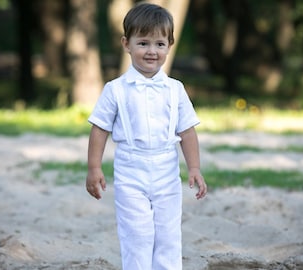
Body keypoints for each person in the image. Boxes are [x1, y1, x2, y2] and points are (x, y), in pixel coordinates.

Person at [85, 2, 207, 269]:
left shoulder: (176, 89)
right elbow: (100, 129)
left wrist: (194, 167)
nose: (152, 51)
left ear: (169, 45)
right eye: (143, 43)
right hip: (130, 171)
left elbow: (187, 131)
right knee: (137, 235)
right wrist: (94, 167)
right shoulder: (115, 89)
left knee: (168, 235)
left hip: (167, 171)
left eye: (159, 44)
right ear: (126, 43)